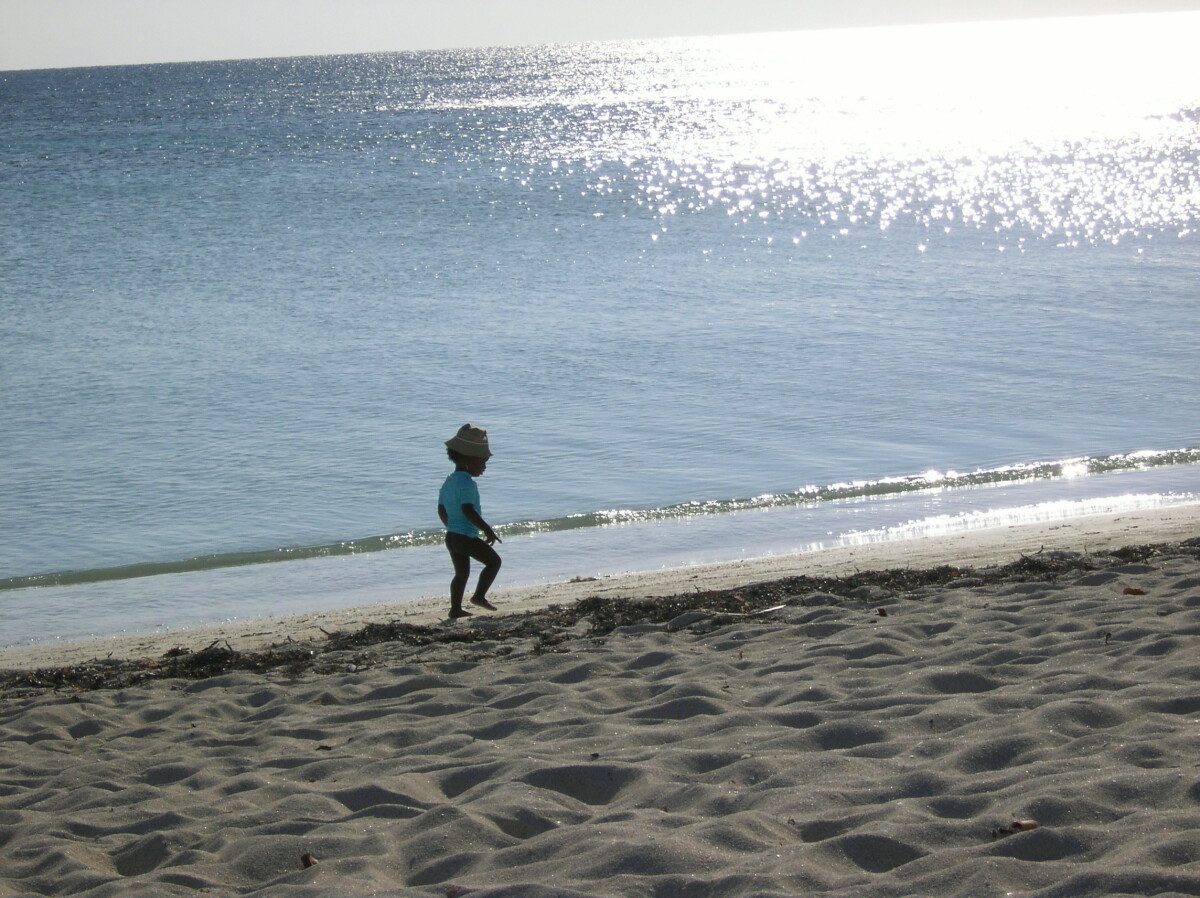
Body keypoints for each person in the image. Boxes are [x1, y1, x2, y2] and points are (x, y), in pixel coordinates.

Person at [438, 423, 502, 619]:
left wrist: (451, 526)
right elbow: (468, 509)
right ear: (469, 459)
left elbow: (441, 509)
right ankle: (479, 596)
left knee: (461, 574)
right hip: (465, 538)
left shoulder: (449, 481)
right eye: (482, 462)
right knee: (494, 562)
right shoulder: (467, 483)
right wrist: (486, 529)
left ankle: (455, 608)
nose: (484, 467)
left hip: (452, 537)